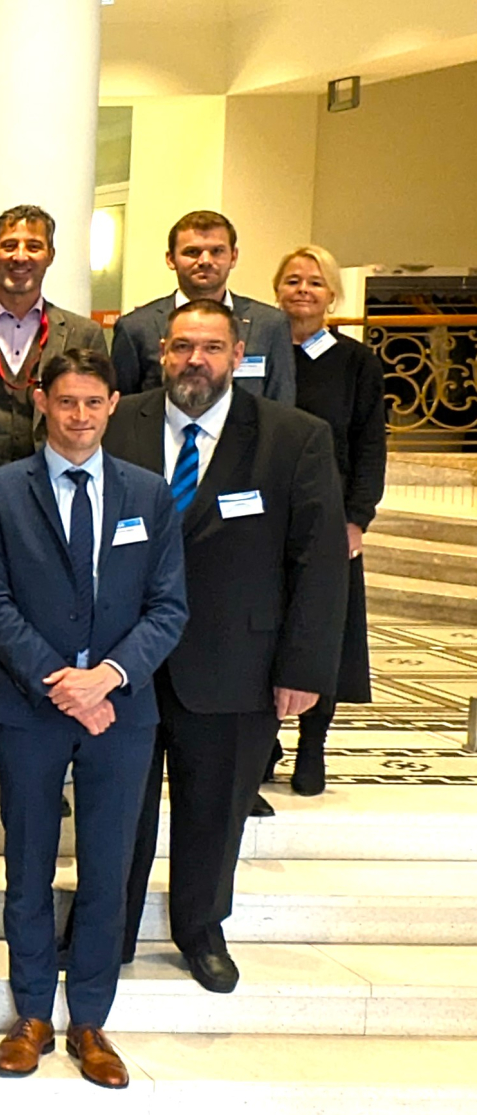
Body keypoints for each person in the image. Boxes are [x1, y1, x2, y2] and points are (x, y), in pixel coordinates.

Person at [0, 348, 189, 1091]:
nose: (80, 416)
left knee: (107, 867)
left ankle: (90, 1019)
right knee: (27, 862)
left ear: (113, 404)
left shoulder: (149, 493)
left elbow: (169, 606)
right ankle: (31, 1013)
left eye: (94, 403)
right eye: (66, 402)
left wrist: (107, 679)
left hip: (121, 711)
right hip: (33, 707)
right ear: (42, 401)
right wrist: (59, 682)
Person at [107, 299, 345, 993]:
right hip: (124, 664)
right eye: (182, 346)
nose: (195, 361)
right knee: (119, 805)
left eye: (211, 348)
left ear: (239, 355)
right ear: (161, 352)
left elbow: (318, 560)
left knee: (216, 810)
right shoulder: (118, 423)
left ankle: (201, 928)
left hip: (237, 663)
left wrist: (304, 668)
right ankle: (109, 925)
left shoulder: (293, 436)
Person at [0, 205, 110, 809]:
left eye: (33, 245)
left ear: (50, 256)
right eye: (9, 243)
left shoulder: (81, 333)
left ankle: (42, 767)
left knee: (45, 636)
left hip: (48, 511)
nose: (20, 254)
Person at [273, 245, 385, 796]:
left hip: (330, 515)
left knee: (325, 632)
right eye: (292, 281)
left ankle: (312, 747)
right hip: (266, 516)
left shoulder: (356, 362)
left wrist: (357, 518)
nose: (303, 291)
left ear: (332, 294)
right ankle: (263, 742)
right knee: (265, 627)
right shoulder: (263, 352)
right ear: (276, 289)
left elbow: (370, 446)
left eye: (315, 283)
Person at [111, 211, 296, 404]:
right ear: (170, 259)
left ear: (233, 257)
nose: (205, 261)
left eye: (217, 251)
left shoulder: (270, 324)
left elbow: (282, 403)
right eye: (192, 252)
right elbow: (122, 409)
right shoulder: (136, 328)